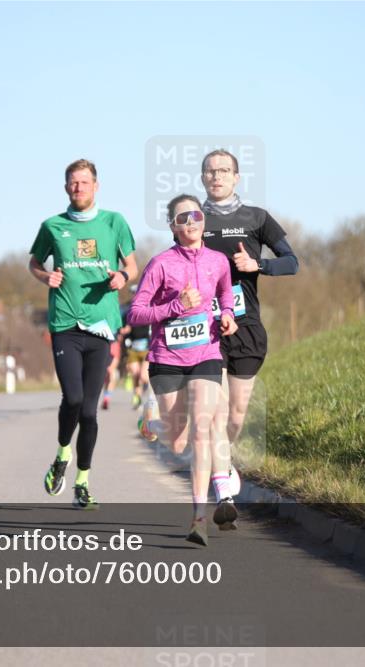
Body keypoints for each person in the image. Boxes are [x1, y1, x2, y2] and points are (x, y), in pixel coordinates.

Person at [127, 194, 238, 546]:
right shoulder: (160, 264)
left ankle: (199, 518)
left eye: (196, 215)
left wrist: (228, 317)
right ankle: (151, 420)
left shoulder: (218, 261)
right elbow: (136, 313)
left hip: (206, 352)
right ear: (173, 226)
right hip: (167, 358)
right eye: (182, 218)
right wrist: (174, 306)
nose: (191, 221)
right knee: (176, 443)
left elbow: (226, 296)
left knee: (203, 428)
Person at [29, 158, 138, 509]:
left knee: (90, 413)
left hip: (102, 325)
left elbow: (132, 266)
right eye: (73, 183)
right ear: (66, 188)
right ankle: (62, 454)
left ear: (96, 186)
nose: (79, 188)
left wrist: (123, 277)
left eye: (85, 182)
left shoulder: (114, 222)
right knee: (72, 399)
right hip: (65, 324)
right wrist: (45, 276)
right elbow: (33, 262)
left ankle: (82, 480)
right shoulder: (52, 225)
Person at [200, 149, 299, 505]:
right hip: (207, 330)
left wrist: (258, 265)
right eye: (210, 171)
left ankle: (224, 464)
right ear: (202, 178)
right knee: (216, 410)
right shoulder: (192, 219)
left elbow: (292, 262)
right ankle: (222, 485)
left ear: (236, 177)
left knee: (237, 414)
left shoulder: (257, 218)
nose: (217, 176)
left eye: (224, 170)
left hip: (246, 328)